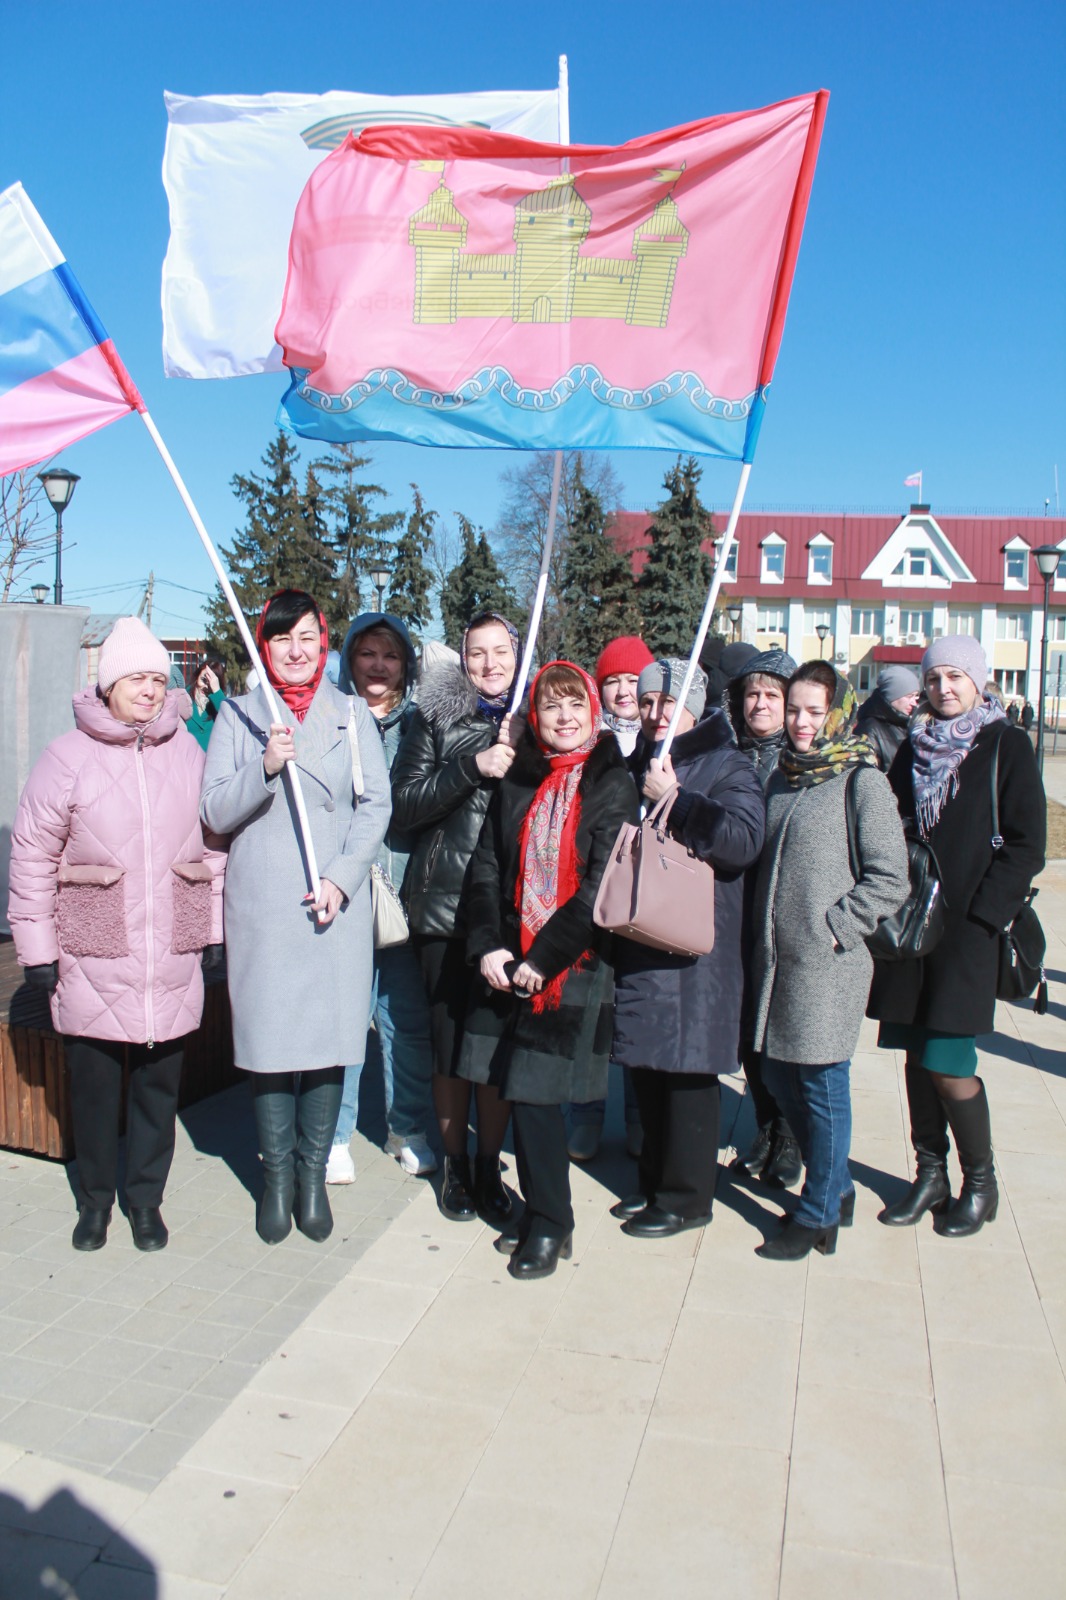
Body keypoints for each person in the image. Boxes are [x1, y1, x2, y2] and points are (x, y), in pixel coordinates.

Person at [8, 617, 226, 1252]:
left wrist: (209, 928)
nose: (151, 690)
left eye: (159, 678)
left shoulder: (187, 749)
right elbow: (31, 859)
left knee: (160, 1091)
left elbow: (214, 849)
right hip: (92, 950)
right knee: (97, 1091)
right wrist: (38, 952)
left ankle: (146, 1202)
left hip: (171, 954)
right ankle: (96, 1202)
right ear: (107, 685)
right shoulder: (66, 757)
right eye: (137, 677)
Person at [200, 590, 390, 1245]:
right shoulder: (239, 716)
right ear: (265, 644)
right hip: (267, 907)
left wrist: (342, 878)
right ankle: (276, 1182)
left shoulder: (350, 715)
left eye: (308, 635)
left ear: (324, 641)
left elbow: (376, 807)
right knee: (273, 1050)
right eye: (283, 637)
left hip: (332, 907)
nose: (297, 648)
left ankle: (313, 1178)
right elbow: (216, 812)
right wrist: (265, 765)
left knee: (332, 1044)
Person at [461, 662, 639, 1278]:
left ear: (593, 710)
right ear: (533, 718)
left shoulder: (611, 782)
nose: (563, 718)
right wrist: (488, 944)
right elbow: (485, 866)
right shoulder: (521, 779)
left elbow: (601, 886)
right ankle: (542, 1216)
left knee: (533, 1096)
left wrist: (544, 958)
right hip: (511, 959)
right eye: (549, 707)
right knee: (518, 1090)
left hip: (572, 961)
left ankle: (552, 1224)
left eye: (574, 706)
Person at [870, 637, 1045, 1236]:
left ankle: (981, 1182)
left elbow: (1027, 843)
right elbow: (887, 820)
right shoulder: (912, 746)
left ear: (979, 680)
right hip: (912, 925)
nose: (945, 688)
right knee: (917, 1060)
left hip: (968, 931)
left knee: (949, 1061)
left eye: (956, 677)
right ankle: (930, 1175)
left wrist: (985, 919)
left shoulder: (1005, 744)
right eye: (935, 677)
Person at [751, 662, 909, 1260]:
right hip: (778, 961)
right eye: (795, 709)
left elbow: (889, 878)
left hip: (827, 963)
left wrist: (836, 929)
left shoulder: (859, 780)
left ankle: (819, 1211)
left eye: (815, 711)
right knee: (774, 1075)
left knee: (821, 1082)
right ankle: (836, 1184)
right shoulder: (784, 777)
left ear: (837, 712)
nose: (801, 722)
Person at [610, 658, 766, 1237]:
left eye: (667, 703)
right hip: (640, 932)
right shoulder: (638, 765)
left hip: (698, 942)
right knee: (649, 1066)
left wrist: (677, 799)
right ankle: (654, 1180)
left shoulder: (727, 765)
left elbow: (744, 841)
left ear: (695, 710)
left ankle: (688, 1196)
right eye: (647, 702)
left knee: (688, 1072)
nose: (654, 713)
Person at [390, 611, 522, 1224]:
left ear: (519, 656)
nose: (490, 664)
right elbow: (403, 807)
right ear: (462, 660)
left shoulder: (535, 718)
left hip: (509, 912)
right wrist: (473, 767)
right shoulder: (435, 717)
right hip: (443, 906)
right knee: (449, 1047)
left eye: (501, 651)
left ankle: (489, 1163)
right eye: (478, 653)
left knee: (494, 1050)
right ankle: (453, 1166)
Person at [328, 612, 436, 1184]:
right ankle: (336, 1134)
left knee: (404, 1020)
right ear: (349, 659)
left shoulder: (421, 725)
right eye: (367, 653)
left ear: (405, 665)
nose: (377, 665)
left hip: (402, 894)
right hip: (343, 893)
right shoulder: (330, 720)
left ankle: (407, 1127)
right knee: (345, 1020)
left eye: (389, 655)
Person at [566, 634, 655, 1163]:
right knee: (590, 1013)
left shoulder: (662, 739)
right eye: (613, 682)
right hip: (591, 891)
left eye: (632, 681)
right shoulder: (586, 739)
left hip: (646, 898)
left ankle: (641, 1121)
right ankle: (585, 1112)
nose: (624, 691)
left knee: (639, 1010)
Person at [720, 647, 803, 1188]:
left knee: (786, 1034)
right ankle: (766, 1130)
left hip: (786, 915)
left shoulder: (801, 761)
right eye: (752, 693)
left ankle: (792, 1137)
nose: (761, 703)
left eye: (772, 693)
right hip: (737, 913)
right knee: (751, 1032)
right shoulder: (731, 753)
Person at [855, 665, 921, 771]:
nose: (914, 703)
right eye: (909, 696)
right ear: (892, 696)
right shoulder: (868, 730)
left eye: (916, 696)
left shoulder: (906, 724)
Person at [185, 657, 227, 751]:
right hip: (186, 760)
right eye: (203, 680)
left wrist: (216, 691)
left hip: (211, 762)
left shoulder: (219, 703)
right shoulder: (183, 699)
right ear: (197, 677)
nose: (206, 686)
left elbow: (229, 717)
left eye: (210, 683)